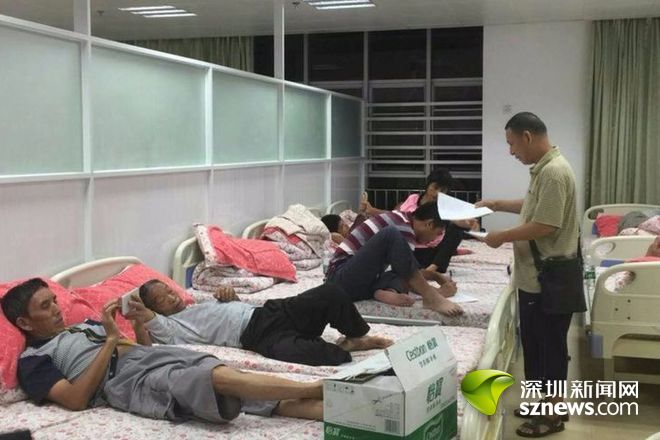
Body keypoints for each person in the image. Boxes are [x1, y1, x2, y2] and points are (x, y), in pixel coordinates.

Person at [2, 278, 323, 424]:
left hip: (150, 357)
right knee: (217, 378)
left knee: (252, 392)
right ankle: (316, 387)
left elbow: (142, 349)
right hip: (123, 381)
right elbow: (75, 400)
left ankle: (341, 408)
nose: (57, 309)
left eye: (54, 300)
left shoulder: (83, 325)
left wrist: (138, 323)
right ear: (24, 323)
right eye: (46, 306)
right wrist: (110, 341)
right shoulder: (34, 359)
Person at [475, 112, 579, 437]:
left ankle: (552, 415)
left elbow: (546, 224)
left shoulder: (554, 172)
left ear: (527, 137)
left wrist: (501, 237)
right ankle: (545, 404)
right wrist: (496, 204)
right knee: (536, 345)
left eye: (512, 144)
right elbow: (535, 207)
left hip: (547, 278)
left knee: (549, 348)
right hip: (535, 277)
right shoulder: (545, 169)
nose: (511, 152)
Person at [131, 280, 391, 366]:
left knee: (330, 292)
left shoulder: (197, 304)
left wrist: (230, 296)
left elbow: (233, 309)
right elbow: (146, 330)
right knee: (310, 354)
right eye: (161, 299)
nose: (171, 296)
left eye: (168, 290)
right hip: (256, 336)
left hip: (269, 312)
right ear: (154, 309)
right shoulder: (170, 328)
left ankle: (355, 335)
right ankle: (344, 348)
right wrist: (137, 315)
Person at [326, 201, 463, 316]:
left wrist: (435, 276)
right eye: (438, 233)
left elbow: (408, 269)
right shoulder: (402, 227)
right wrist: (437, 292)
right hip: (340, 279)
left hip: (358, 283)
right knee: (390, 234)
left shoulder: (403, 221)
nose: (435, 239)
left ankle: (379, 292)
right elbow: (410, 277)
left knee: (401, 270)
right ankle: (431, 298)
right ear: (429, 224)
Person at [361, 169, 479, 273]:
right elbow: (396, 216)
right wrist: (372, 210)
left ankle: (433, 268)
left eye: (442, 190)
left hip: (433, 252)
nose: (437, 193)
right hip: (411, 248)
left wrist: (469, 224)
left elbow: (458, 221)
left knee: (457, 230)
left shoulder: (445, 206)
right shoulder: (413, 199)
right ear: (428, 185)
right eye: (435, 187)